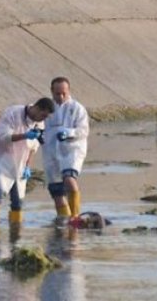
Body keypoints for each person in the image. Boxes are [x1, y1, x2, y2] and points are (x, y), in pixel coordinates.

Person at [0, 97, 55, 225]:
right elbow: (4, 137)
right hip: (1, 159)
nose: (43, 120)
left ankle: (16, 233)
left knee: (17, 202)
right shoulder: (13, 113)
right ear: (37, 108)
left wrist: (27, 165)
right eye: (43, 116)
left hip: (20, 163)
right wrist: (25, 135)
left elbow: (33, 147)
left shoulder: (39, 124)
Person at [42, 77, 90, 223]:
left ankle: (75, 217)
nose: (61, 97)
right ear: (52, 91)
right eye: (57, 94)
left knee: (69, 178)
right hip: (50, 152)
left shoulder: (76, 108)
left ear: (69, 91)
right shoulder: (47, 109)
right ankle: (65, 219)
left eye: (64, 93)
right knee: (57, 192)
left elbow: (84, 130)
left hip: (72, 149)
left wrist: (69, 133)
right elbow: (37, 124)